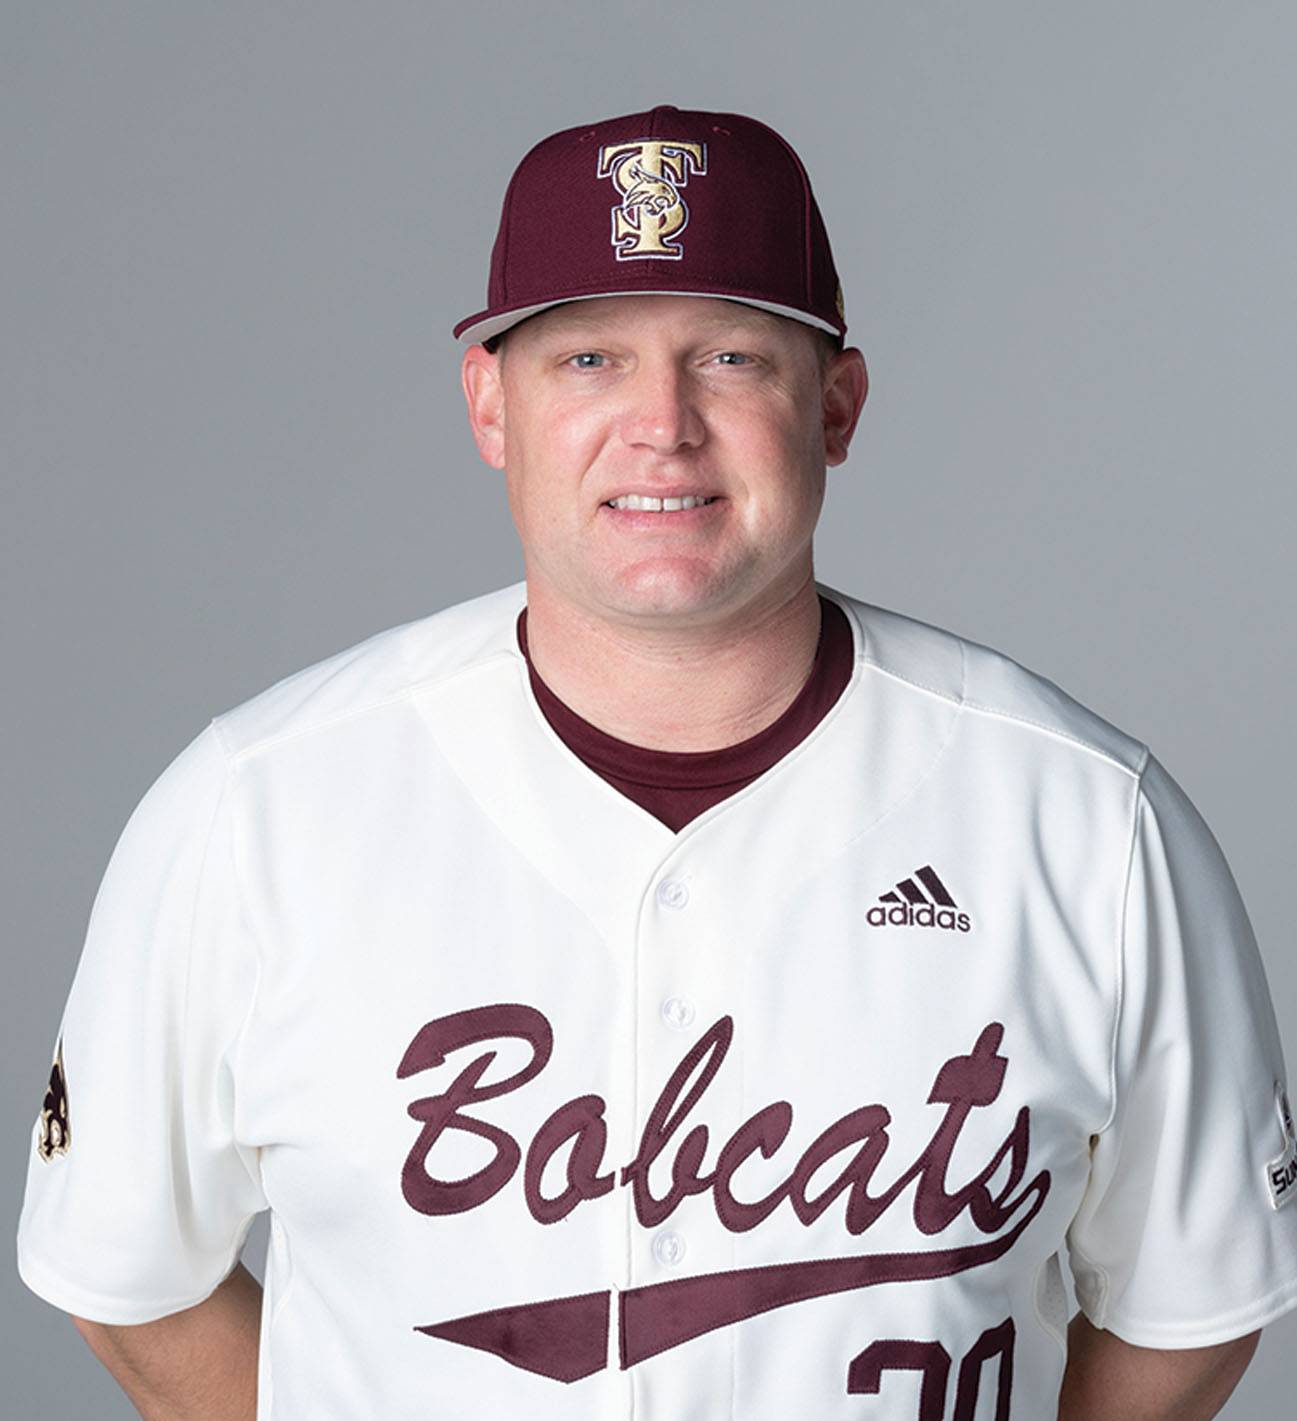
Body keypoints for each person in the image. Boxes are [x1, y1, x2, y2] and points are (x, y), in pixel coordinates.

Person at [16, 102, 1297, 1420]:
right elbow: (128, 1274)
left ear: (836, 404)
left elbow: (1187, 1312)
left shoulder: (1083, 820)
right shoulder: (256, 808)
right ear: (489, 404)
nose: (660, 423)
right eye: (586, 360)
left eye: (732, 355)